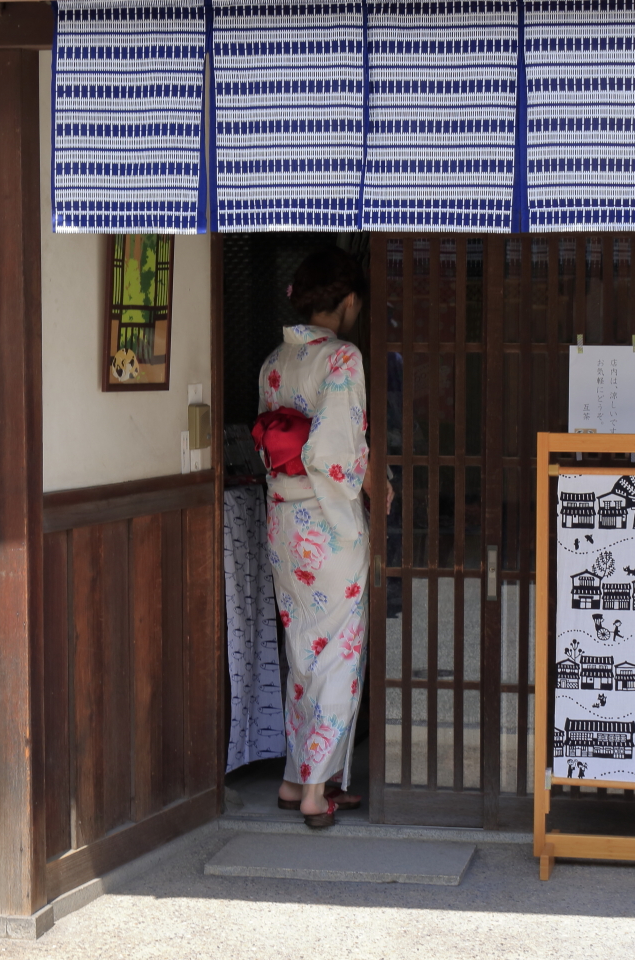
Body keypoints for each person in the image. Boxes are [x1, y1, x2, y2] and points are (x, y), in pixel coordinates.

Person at [253, 247, 388, 829]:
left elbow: (272, 443)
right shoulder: (342, 359)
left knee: (304, 650)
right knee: (339, 654)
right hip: (329, 529)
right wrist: (370, 488)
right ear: (349, 301)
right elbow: (333, 454)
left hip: (285, 521)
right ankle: (315, 790)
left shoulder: (276, 361)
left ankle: (292, 775)